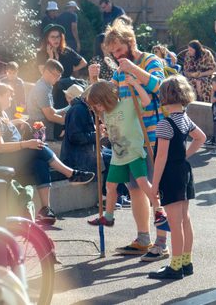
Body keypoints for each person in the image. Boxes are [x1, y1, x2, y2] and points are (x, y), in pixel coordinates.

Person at [88, 19, 169, 262]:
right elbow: (108, 97)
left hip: (151, 136)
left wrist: (134, 71)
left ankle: (162, 243)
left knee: (155, 189)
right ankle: (143, 238)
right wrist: (94, 81)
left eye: (119, 49)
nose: (116, 54)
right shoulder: (119, 70)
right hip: (128, 139)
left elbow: (161, 88)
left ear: (129, 42)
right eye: (112, 52)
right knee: (135, 189)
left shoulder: (150, 61)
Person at [0, 83, 95, 225]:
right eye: (8, 96)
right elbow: (0, 147)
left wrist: (15, 122)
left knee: (40, 162)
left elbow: (0, 128)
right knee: (38, 147)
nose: (11, 99)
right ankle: (71, 174)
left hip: (8, 159)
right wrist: (26, 144)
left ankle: (46, 209)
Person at [85, 79, 167, 228]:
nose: (97, 108)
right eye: (95, 106)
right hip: (118, 156)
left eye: (98, 104)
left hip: (134, 153)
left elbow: (146, 101)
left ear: (106, 98)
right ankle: (108, 217)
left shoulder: (128, 104)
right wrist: (93, 79)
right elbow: (93, 99)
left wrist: (136, 84)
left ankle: (159, 210)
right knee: (110, 186)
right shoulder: (105, 113)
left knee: (143, 183)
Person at [148, 75, 206, 280]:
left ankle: (175, 266)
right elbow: (201, 137)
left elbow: (161, 157)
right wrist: (185, 155)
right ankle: (186, 262)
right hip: (184, 171)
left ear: (163, 97)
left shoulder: (165, 124)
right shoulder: (184, 119)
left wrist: (154, 186)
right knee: (185, 219)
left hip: (171, 175)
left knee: (174, 223)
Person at [27, 59, 68, 141]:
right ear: (46, 72)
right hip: (39, 130)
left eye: (59, 76)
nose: (58, 79)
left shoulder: (47, 85)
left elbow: (52, 111)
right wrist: (69, 121)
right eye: (56, 75)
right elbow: (50, 116)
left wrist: (69, 108)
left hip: (44, 128)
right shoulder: (42, 89)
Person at [59, 84, 97, 174]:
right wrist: (96, 135)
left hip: (81, 157)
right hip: (77, 161)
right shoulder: (79, 110)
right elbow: (75, 137)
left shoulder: (82, 108)